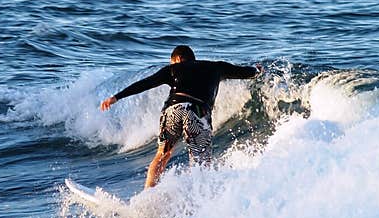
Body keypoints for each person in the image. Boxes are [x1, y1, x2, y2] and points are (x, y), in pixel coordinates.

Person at [100, 45, 262, 188]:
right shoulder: (217, 67)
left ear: (177, 59)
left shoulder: (173, 69)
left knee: (163, 154)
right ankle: (196, 202)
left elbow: (145, 83)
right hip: (198, 112)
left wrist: (116, 97)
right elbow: (246, 72)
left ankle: (148, 195)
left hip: (173, 109)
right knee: (201, 162)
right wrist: (258, 70)